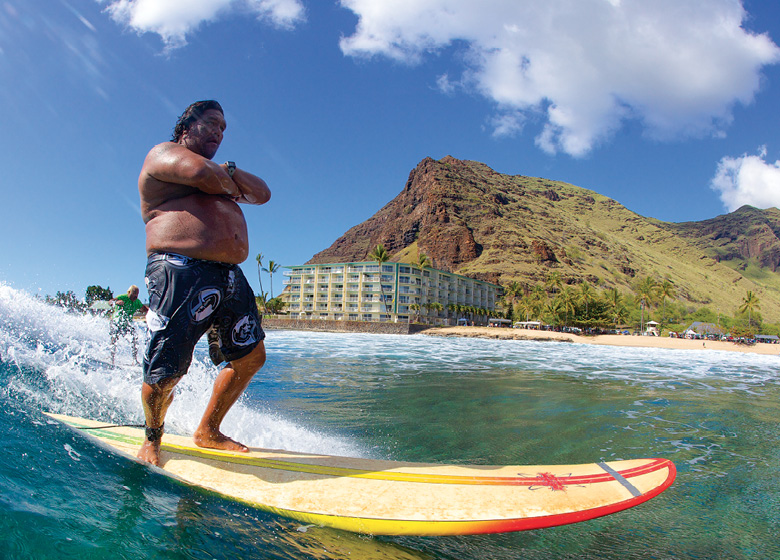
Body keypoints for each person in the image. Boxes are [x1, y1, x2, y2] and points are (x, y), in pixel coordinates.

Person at [137, 100, 271, 466]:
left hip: (229, 276)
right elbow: (203, 176)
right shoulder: (162, 154)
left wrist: (228, 172)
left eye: (224, 128)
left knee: (250, 357)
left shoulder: (222, 170)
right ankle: (152, 438)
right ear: (186, 127)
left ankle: (208, 431)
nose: (219, 132)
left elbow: (263, 193)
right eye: (212, 123)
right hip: (179, 269)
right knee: (166, 371)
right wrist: (229, 180)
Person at [109, 285, 148, 365]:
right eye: (134, 294)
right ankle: (111, 359)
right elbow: (110, 302)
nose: (135, 296)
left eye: (137, 294)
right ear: (129, 292)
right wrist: (115, 302)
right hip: (116, 322)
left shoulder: (137, 302)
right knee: (114, 339)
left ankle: (134, 359)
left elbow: (144, 309)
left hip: (126, 324)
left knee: (134, 338)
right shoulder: (122, 297)